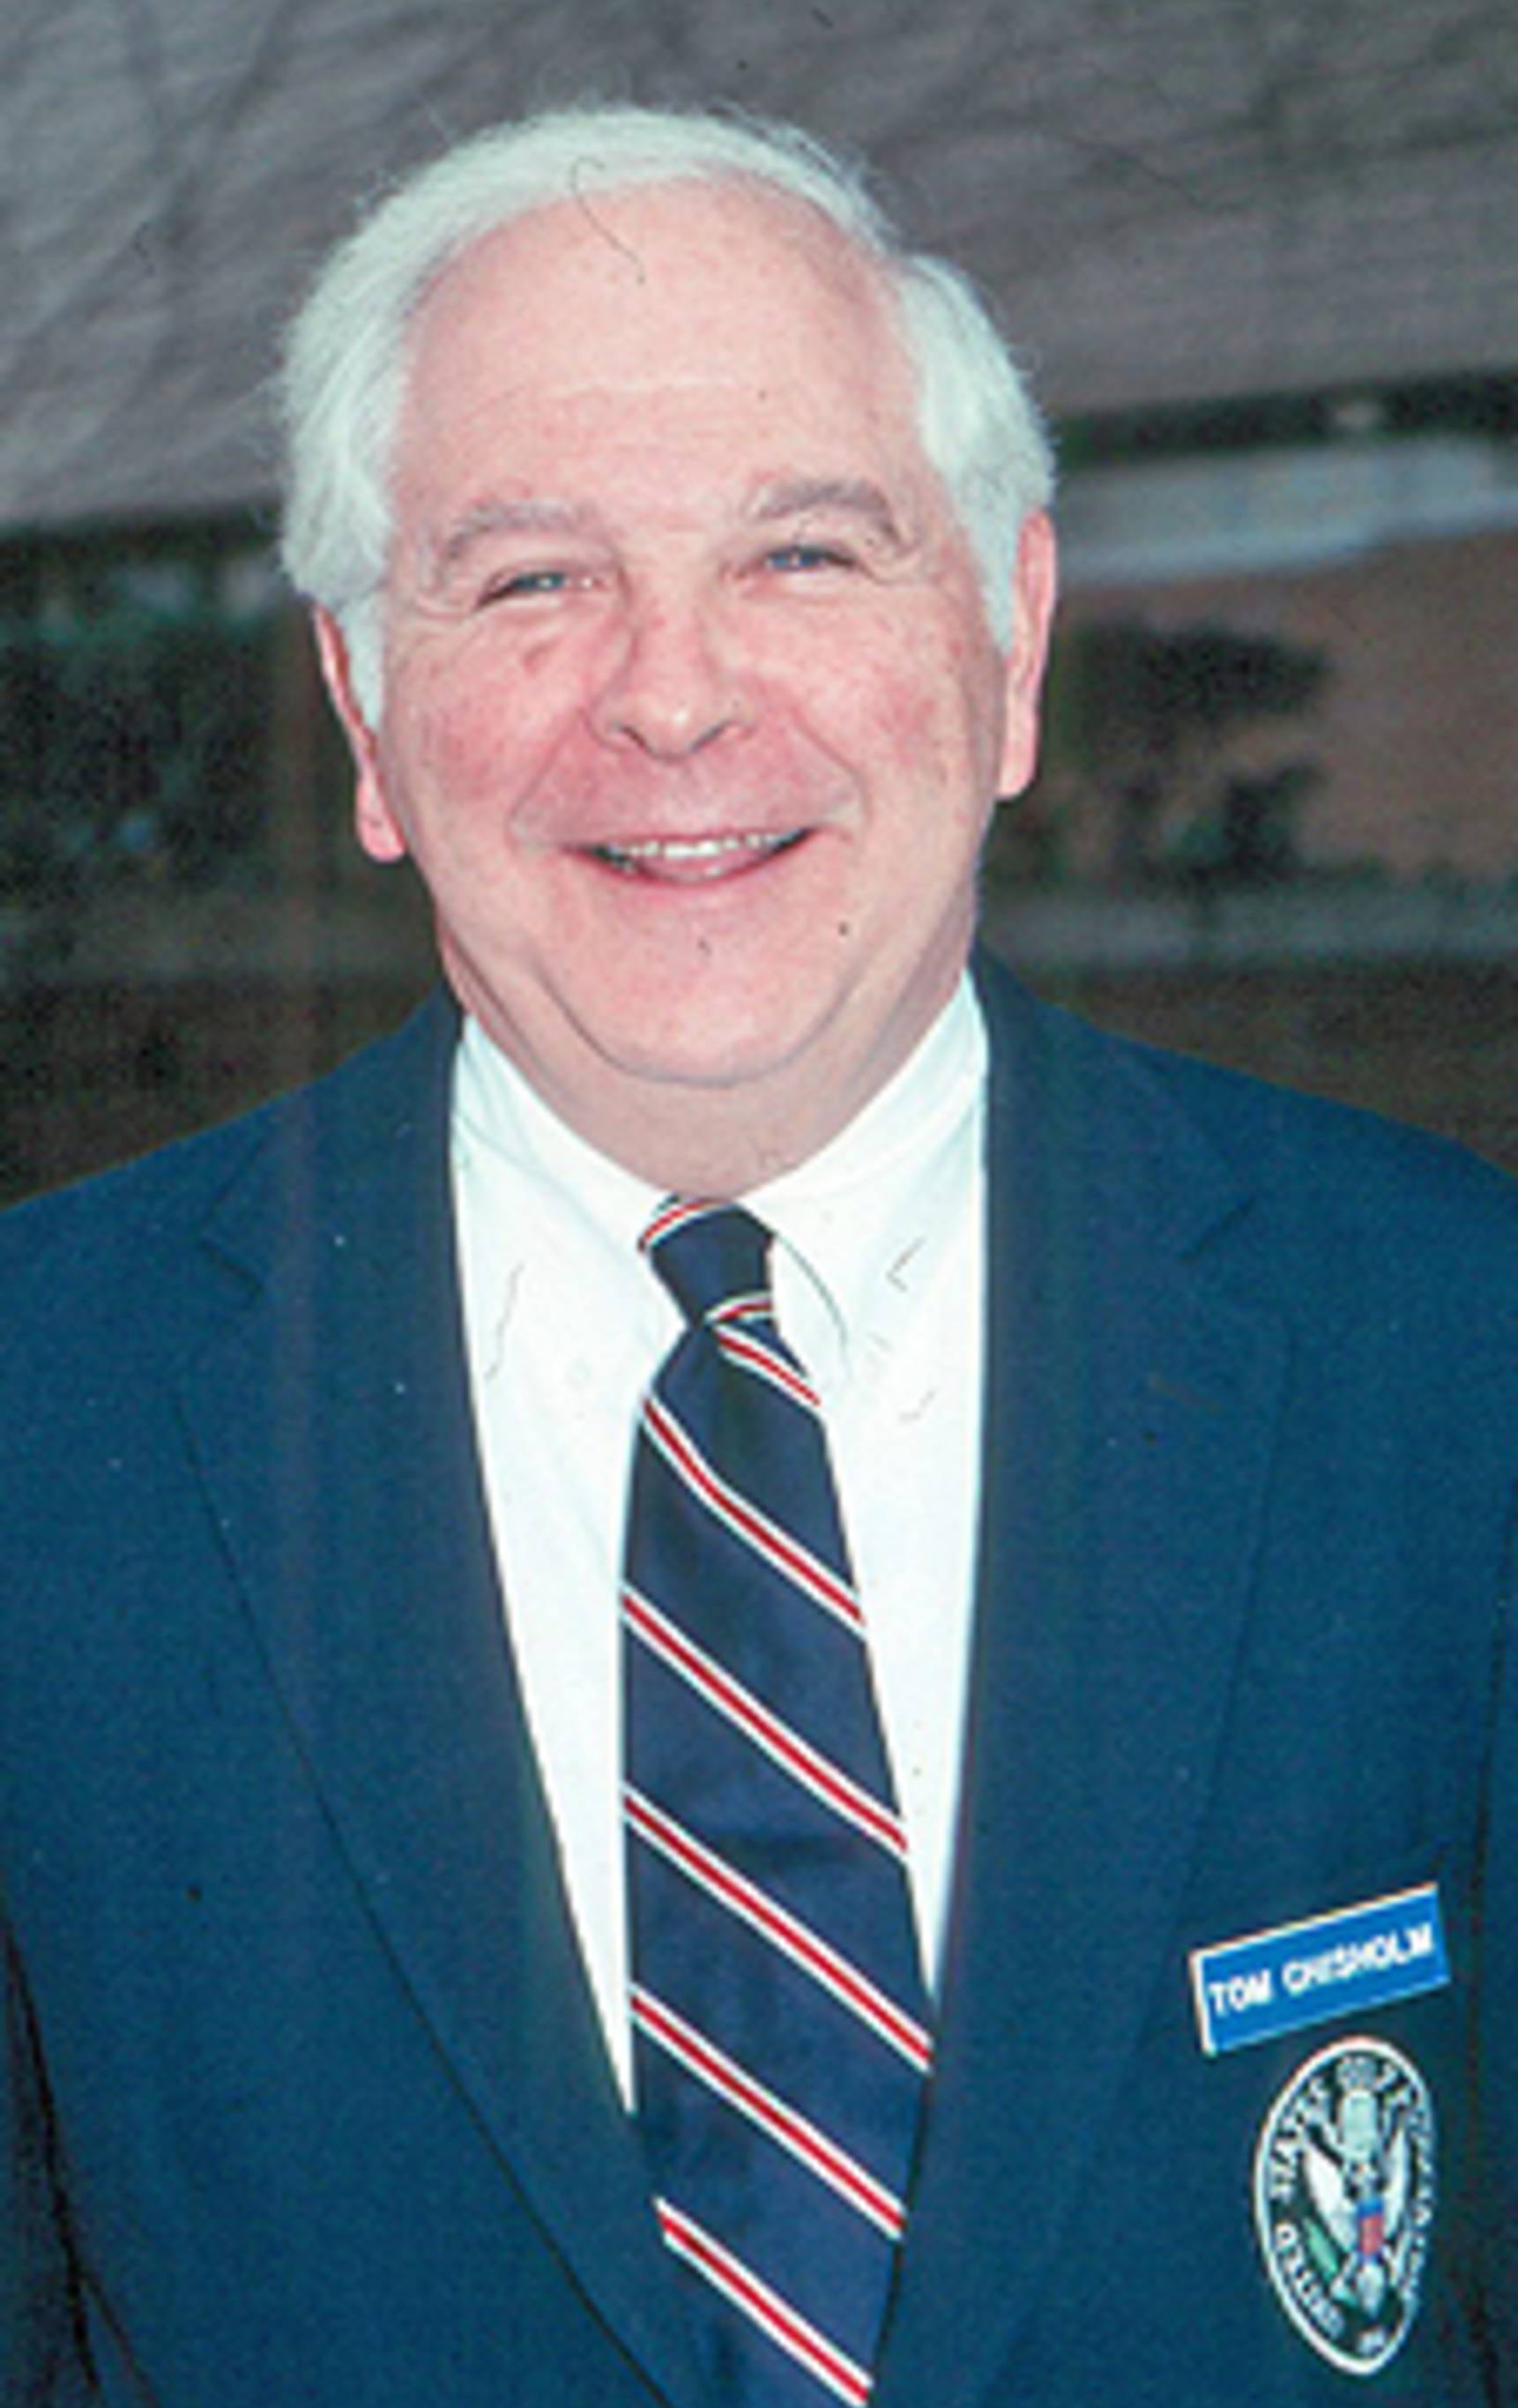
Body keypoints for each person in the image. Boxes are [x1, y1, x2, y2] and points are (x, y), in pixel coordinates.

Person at [3, 101, 1515, 2408]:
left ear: (1005, 640)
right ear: (364, 715)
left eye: (803, 553)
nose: (675, 693)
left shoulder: (1451, 1349)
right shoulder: (44, 1425)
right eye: (528, 579)